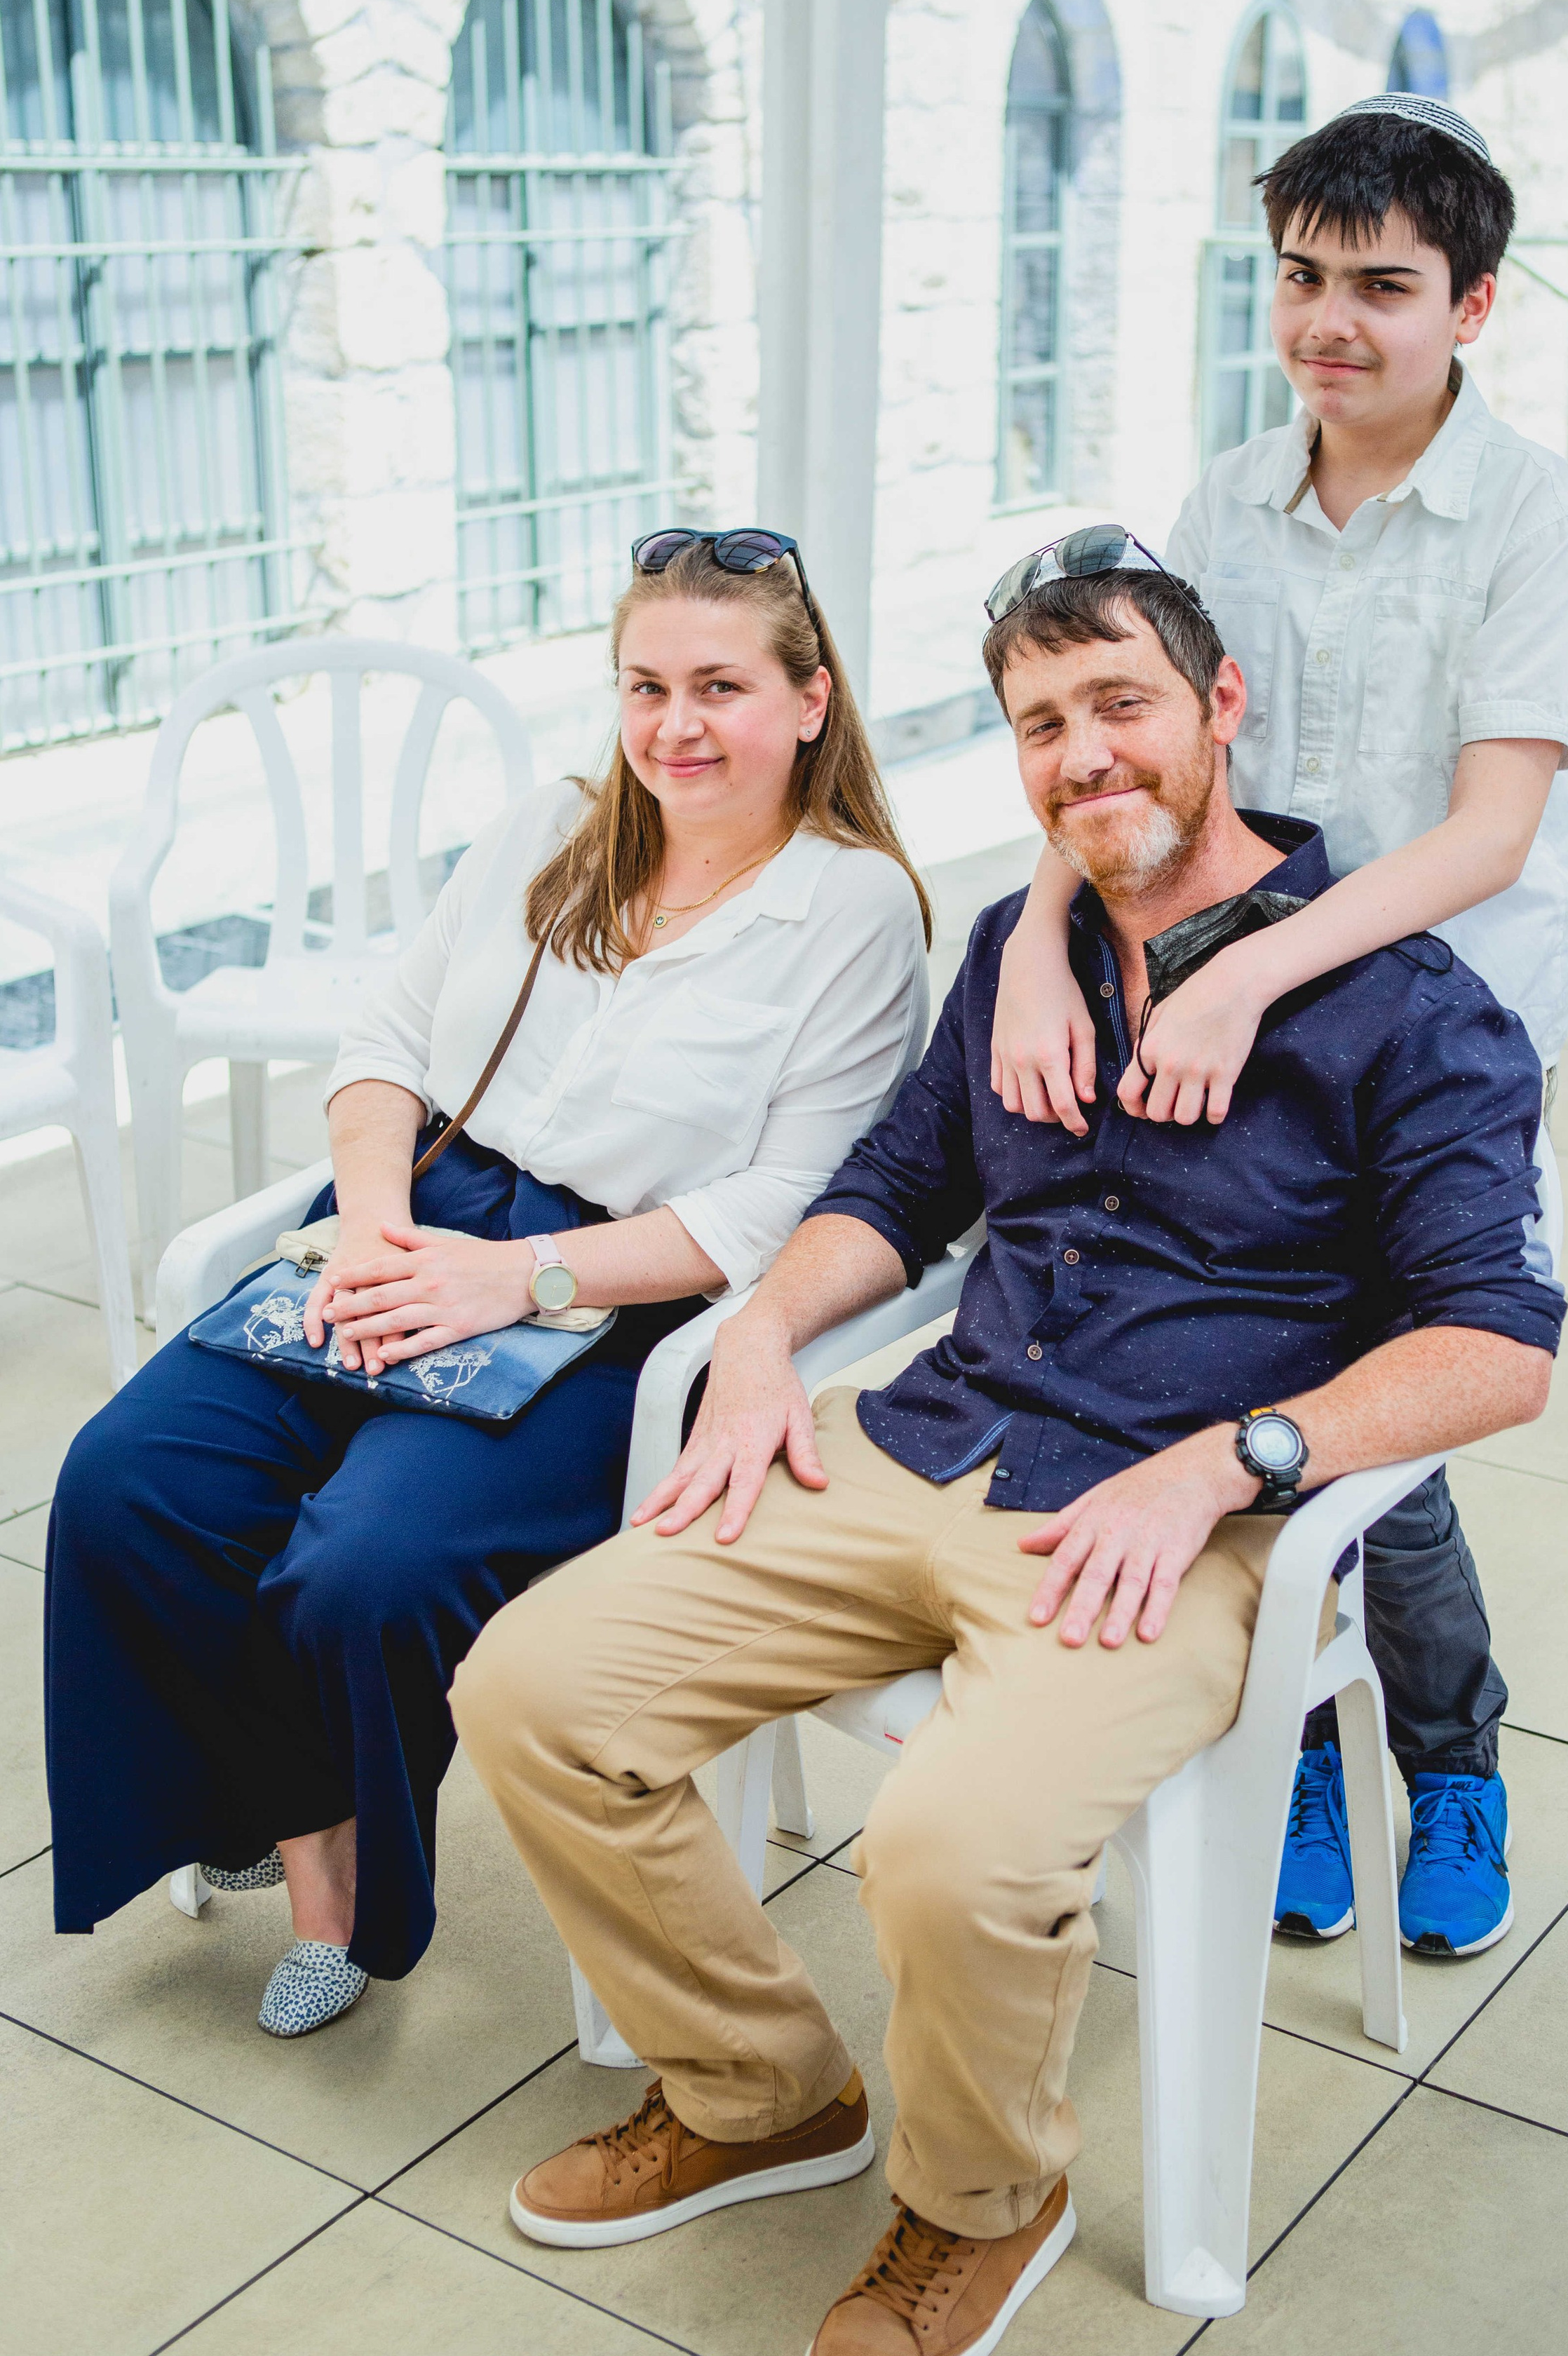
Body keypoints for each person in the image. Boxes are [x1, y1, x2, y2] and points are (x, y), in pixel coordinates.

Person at [449, 552, 1562, 2356]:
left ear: (1220, 713)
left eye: (1120, 705)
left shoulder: (1411, 1008)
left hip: (1166, 1525)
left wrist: (1232, 1465)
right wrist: (754, 1334)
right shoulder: (1018, 953)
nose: (1080, 755)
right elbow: (897, 1187)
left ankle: (980, 2201)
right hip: (922, 1438)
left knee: (948, 1844)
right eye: (1042, 725)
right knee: (535, 1692)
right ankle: (758, 2096)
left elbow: (1502, 1346)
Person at [45, 529, 931, 2037]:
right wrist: (383, 1225)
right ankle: (290, 1819)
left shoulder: (850, 912)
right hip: (416, 1210)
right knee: (128, 1483)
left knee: (364, 1569)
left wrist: (515, 1279)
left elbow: (781, 1202)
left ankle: (348, 1907)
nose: (674, 726)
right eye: (643, 685)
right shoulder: (550, 825)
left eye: (719, 685)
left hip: (617, 1293)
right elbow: (383, 1038)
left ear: (808, 698)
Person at [987, 94, 1568, 1957]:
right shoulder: (1222, 500)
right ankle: (1304, 1738)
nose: (1334, 321)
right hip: (1219, 1021)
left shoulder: (1529, 518)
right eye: (1304, 279)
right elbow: (1140, 770)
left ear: (1472, 308)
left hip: (1425, 1034)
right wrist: (1038, 938)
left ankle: (1450, 1754)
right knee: (1233, 1383)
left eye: (1385, 287)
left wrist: (1256, 968)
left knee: (1361, 1413)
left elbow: (1493, 831)